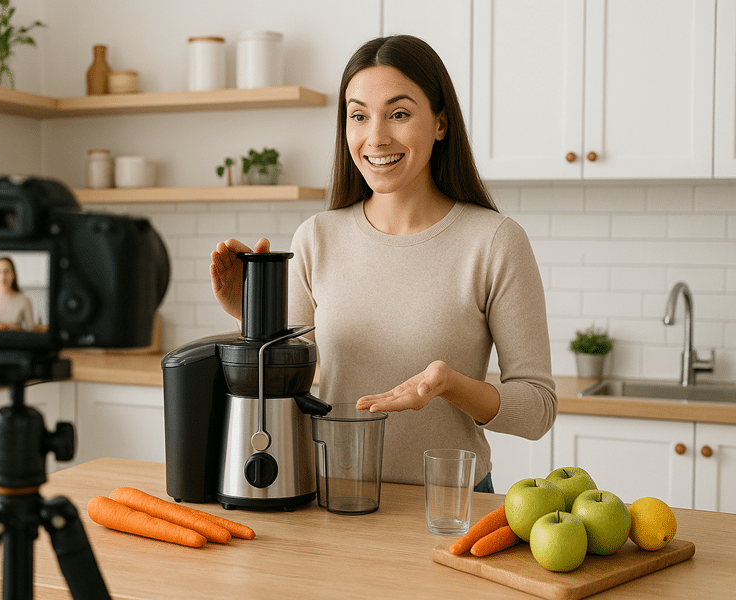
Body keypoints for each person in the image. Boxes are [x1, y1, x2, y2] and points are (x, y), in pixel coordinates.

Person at [210, 35, 556, 492]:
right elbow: (284, 385)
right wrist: (251, 315)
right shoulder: (317, 237)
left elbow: (537, 410)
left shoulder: (493, 241)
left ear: (440, 123)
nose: (375, 137)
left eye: (399, 113)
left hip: (450, 506)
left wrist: (449, 385)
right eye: (358, 116)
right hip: (332, 496)